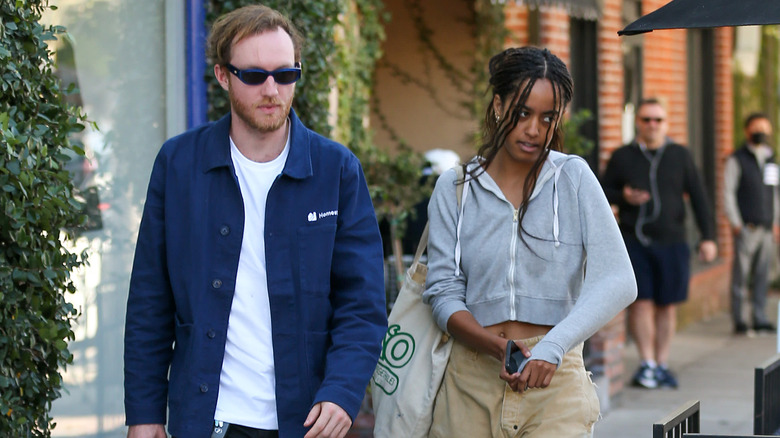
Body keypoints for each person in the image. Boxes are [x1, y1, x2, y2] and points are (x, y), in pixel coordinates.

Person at [123, 5, 387, 438]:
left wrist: (341, 391)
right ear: (223, 76)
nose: (272, 89)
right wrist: (144, 412)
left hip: (304, 421)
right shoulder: (179, 164)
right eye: (254, 75)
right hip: (206, 418)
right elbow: (150, 299)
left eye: (285, 75)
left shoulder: (335, 170)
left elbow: (362, 303)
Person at [422, 47, 637, 437]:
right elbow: (442, 291)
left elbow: (618, 278)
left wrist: (553, 347)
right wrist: (495, 346)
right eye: (523, 113)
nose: (534, 129)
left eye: (547, 117)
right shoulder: (455, 189)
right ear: (499, 105)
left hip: (555, 380)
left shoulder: (573, 179)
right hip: (471, 379)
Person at [602, 98, 718, 389]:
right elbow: (602, 192)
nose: (652, 125)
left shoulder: (680, 155)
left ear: (666, 124)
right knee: (641, 303)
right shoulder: (622, 156)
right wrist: (624, 197)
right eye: (646, 119)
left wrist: (709, 237)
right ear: (637, 122)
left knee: (666, 306)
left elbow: (700, 198)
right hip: (634, 240)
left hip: (672, 241)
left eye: (658, 120)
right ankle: (647, 364)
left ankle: (662, 363)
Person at [724, 112, 779, 336]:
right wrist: (736, 223)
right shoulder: (736, 159)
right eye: (756, 128)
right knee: (741, 276)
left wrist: (775, 222)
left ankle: (759, 317)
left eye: (765, 129)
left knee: (762, 275)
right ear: (747, 131)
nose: (761, 133)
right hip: (747, 227)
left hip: (766, 228)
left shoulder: (770, 158)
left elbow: (774, 193)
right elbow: (728, 192)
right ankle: (739, 320)